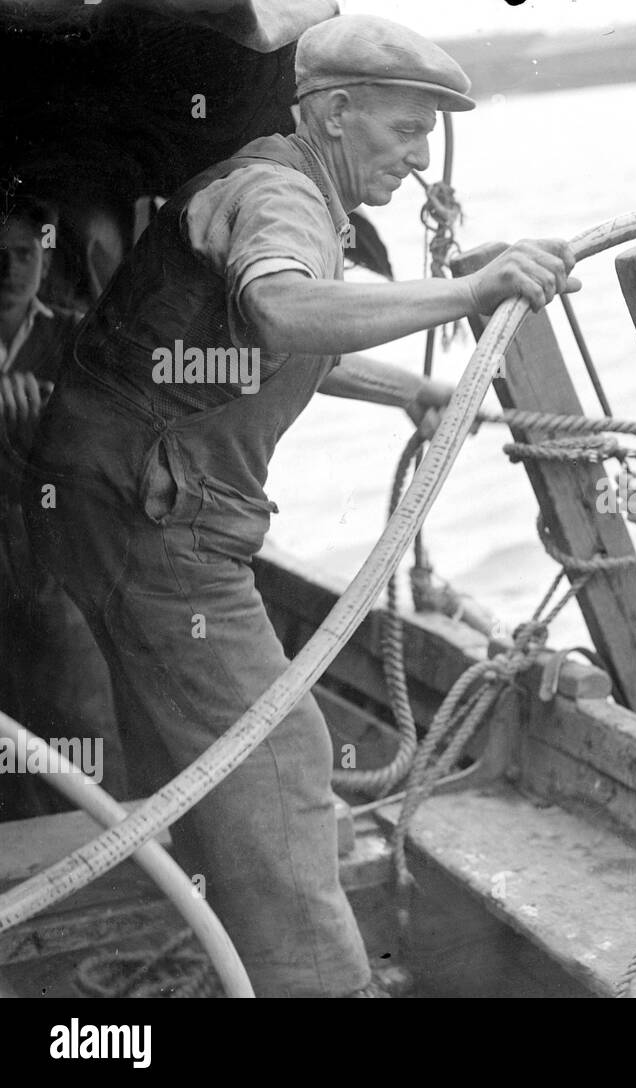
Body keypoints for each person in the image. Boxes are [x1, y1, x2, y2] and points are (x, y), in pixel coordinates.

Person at [23, 14, 579, 997]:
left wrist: (406, 387)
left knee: (200, 753)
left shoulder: (266, 177)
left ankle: (229, 938)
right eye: (404, 132)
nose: (415, 163)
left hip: (105, 497)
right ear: (333, 112)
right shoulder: (283, 196)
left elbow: (249, 342)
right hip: (158, 525)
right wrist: (471, 292)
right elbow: (283, 307)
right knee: (282, 752)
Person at [0, 197, 123, 817]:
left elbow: (108, 431)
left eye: (23, 254)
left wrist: (48, 411)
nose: (9, 269)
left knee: (81, 724)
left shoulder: (76, 336)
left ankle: (106, 855)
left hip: (51, 562)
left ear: (44, 263)